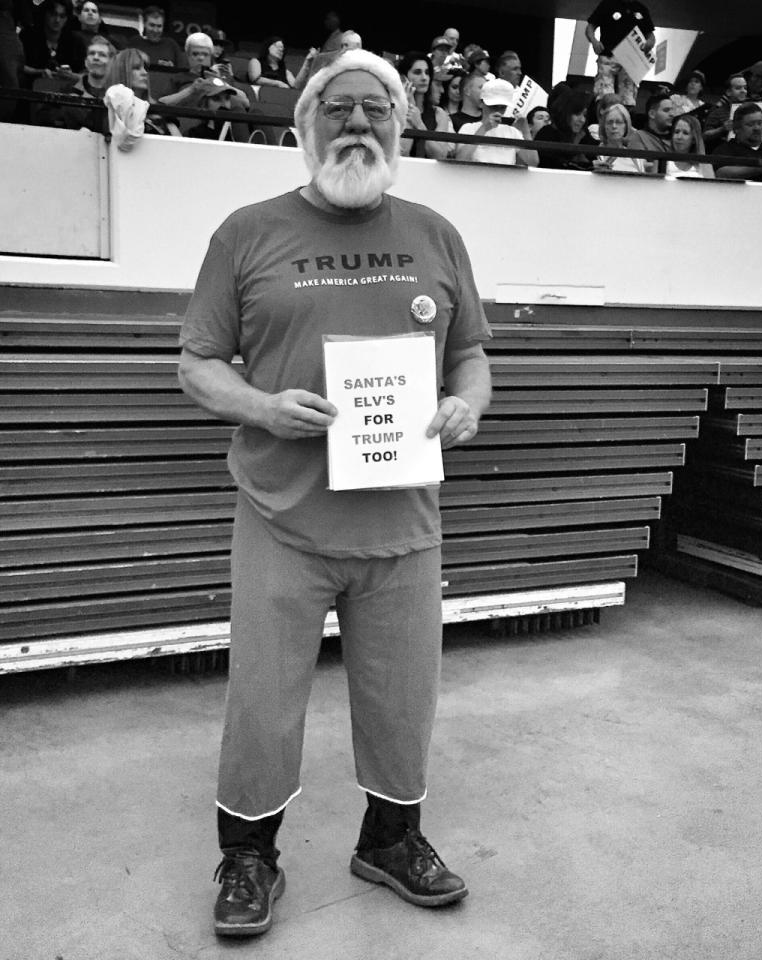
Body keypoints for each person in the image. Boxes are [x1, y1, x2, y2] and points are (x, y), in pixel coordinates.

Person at [177, 46, 491, 939]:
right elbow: (197, 364)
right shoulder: (248, 232)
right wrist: (265, 408)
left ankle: (390, 841)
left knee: (403, 695)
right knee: (264, 700)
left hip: (404, 520)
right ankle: (248, 857)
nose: (359, 124)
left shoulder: (435, 233)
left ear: (400, 124)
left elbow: (470, 352)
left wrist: (466, 402)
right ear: (305, 125)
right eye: (340, 109)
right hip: (283, 516)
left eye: (377, 109)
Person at [584, 0, 655, 109]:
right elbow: (590, 27)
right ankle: (604, 119)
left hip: (630, 59)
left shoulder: (641, 8)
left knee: (628, 98)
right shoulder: (607, 4)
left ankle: (625, 120)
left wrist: (650, 43)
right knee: (605, 96)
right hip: (608, 56)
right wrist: (594, 41)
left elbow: (650, 35)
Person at [454, 77, 537, 166]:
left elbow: (533, 162)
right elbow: (460, 159)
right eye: (493, 106)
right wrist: (483, 129)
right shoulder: (468, 128)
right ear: (481, 103)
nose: (498, 111)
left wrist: (526, 132)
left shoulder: (512, 132)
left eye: (502, 107)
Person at [102, 46, 179, 136]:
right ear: (122, 72)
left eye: (145, 68)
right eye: (137, 68)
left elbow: (182, 145)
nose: (145, 73)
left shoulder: (161, 111)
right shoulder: (104, 111)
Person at [712, 101, 762, 183]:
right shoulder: (725, 150)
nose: (757, 128)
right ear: (736, 128)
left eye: (760, 123)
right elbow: (720, 174)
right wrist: (759, 168)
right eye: (750, 124)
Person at [397, 51, 455, 159]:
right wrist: (408, 106)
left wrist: (419, 124)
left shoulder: (439, 114)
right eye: (417, 72)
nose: (424, 77)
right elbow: (402, 152)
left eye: (427, 72)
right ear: (404, 78)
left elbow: (440, 155)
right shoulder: (393, 111)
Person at [20, 0, 86, 83]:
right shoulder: (28, 35)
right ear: (45, 14)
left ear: (67, 18)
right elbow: (17, 66)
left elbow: (86, 75)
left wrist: (72, 76)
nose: (57, 20)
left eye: (62, 16)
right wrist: (38, 72)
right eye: (53, 14)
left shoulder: (76, 41)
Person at [533, 88, 599, 170]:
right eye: (577, 114)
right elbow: (555, 165)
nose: (582, 120)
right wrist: (590, 165)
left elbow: (596, 151)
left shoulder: (582, 134)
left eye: (584, 115)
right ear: (564, 113)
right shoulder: (546, 134)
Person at [593, 101, 645, 173]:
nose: (614, 126)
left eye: (619, 122)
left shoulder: (636, 158)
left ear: (626, 126)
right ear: (603, 126)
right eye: (610, 122)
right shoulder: (594, 154)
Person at [703, 72, 748, 145]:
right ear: (728, 92)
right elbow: (704, 136)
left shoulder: (752, 110)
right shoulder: (717, 112)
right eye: (738, 88)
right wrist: (722, 129)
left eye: (745, 88)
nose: (743, 91)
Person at [664, 114, 714, 178]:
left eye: (685, 133)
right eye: (676, 132)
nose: (679, 137)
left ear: (694, 139)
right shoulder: (663, 162)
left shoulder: (705, 166)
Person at [635, 91, 674, 160]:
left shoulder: (677, 137)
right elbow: (639, 166)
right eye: (666, 110)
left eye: (672, 110)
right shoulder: (640, 137)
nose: (672, 114)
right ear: (652, 114)